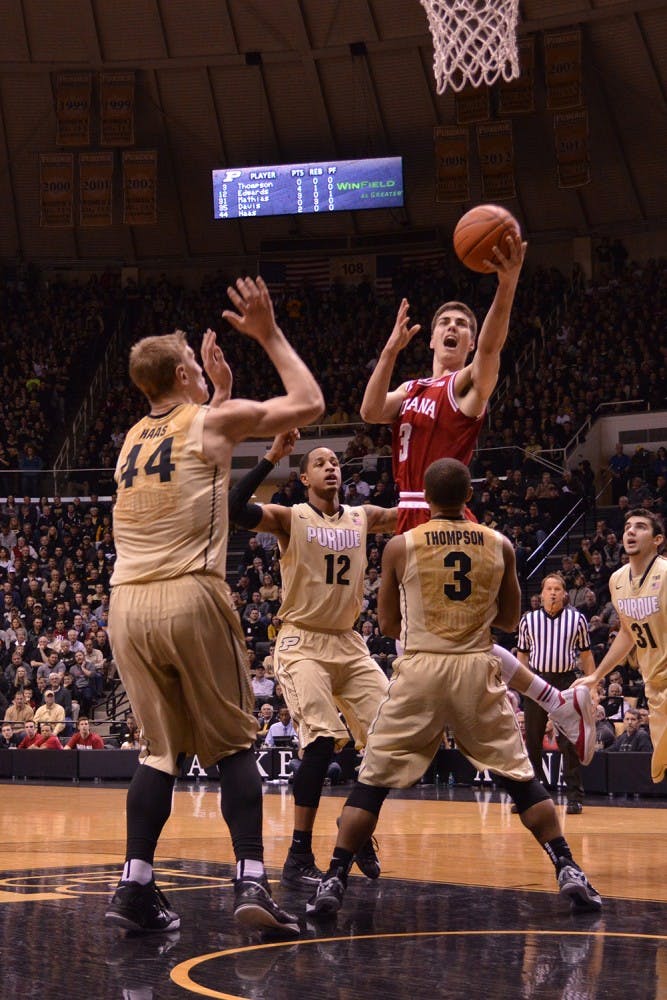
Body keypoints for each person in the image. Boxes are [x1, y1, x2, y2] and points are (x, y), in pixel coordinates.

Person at [104, 275, 323, 936]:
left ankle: (133, 887)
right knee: (234, 746)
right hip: (188, 594)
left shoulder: (132, 437)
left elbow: (202, 466)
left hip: (125, 604)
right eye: (196, 366)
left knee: (158, 751)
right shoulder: (209, 421)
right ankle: (251, 882)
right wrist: (267, 333)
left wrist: (220, 389)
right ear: (179, 372)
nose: (205, 372)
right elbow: (308, 401)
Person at [306, 459, 601, 918]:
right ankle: (567, 867)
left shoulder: (401, 545)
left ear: (425, 497)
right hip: (474, 669)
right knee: (520, 781)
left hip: (421, 668)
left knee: (372, 783)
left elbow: (386, 623)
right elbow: (507, 621)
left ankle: (334, 879)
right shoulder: (500, 543)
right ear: (470, 498)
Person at [358, 239, 594, 758]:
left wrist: (505, 287)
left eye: (462, 325)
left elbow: (491, 351)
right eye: (446, 321)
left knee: (445, 642)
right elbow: (371, 411)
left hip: (441, 516)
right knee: (435, 641)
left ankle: (530, 708)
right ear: (432, 338)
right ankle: (553, 701)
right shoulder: (413, 385)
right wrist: (390, 349)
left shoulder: (465, 388)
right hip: (410, 516)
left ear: (467, 345)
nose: (452, 328)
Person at [229, 435, 396, 892]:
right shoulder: (291, 517)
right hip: (302, 640)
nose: (330, 467)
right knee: (322, 742)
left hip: (349, 642)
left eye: (335, 462)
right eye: (320, 463)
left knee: (393, 740)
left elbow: (419, 514)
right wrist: (270, 459)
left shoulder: (363, 517)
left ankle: (355, 826)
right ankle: (299, 854)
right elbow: (233, 508)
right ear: (303, 478)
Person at [574, 509, 667, 785]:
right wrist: (596, 675)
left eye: (640, 527)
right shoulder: (617, 580)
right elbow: (627, 634)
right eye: (627, 526)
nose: (630, 531)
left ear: (657, 539)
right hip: (654, 683)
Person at [517, 573, 596, 815]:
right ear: (541, 595)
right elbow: (522, 657)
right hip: (537, 680)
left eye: (558, 589)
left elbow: (586, 656)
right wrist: (522, 686)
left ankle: (574, 796)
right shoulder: (528, 621)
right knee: (532, 740)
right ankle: (533, 796)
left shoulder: (577, 619)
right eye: (548, 588)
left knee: (568, 741)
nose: (553, 593)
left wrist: (592, 688)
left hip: (565, 681)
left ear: (564, 594)